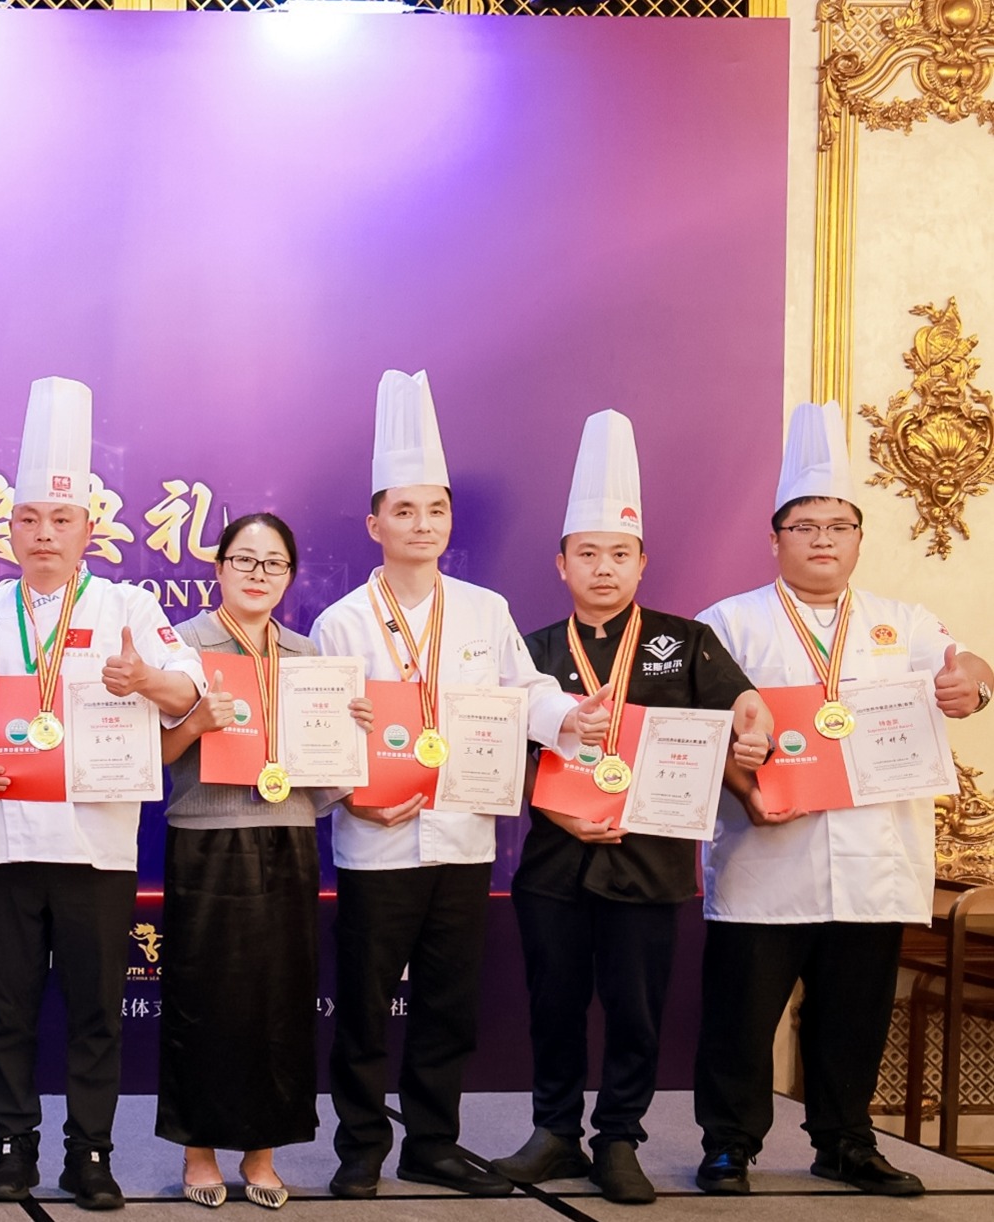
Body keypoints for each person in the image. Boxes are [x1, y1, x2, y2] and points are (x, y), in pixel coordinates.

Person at [690, 401, 992, 1197]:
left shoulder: (903, 621)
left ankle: (845, 1142)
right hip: (767, 856)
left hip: (872, 858)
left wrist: (975, 686)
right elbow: (700, 727)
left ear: (858, 537)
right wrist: (739, 772)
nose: (822, 538)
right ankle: (727, 1144)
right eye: (804, 526)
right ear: (774, 539)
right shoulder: (726, 622)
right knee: (740, 1018)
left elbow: (969, 668)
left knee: (853, 1014)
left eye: (837, 525)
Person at [311, 371, 592, 1201]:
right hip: (376, 841)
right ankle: (359, 1147)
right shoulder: (342, 622)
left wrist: (570, 718)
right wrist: (350, 795)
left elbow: (527, 693)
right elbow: (320, 733)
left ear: (448, 519)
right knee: (363, 1008)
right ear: (374, 524)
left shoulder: (484, 609)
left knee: (447, 1004)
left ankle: (430, 1141)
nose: (421, 524)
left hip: (464, 838)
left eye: (434, 509)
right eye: (403, 510)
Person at [492, 411, 766, 1206]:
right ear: (561, 563)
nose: (603, 569)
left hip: (650, 869)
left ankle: (618, 1141)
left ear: (642, 561)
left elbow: (741, 710)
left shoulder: (685, 644)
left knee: (635, 1014)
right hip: (553, 864)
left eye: (618, 554)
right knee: (553, 1006)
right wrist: (559, 812)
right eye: (587, 555)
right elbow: (498, 755)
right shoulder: (528, 648)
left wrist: (753, 727)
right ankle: (553, 1134)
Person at [0, 377, 202, 1212]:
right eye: (28, 520)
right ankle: (10, 1148)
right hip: (4, 842)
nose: (43, 535)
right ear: (10, 529)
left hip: (97, 844)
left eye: (60, 520)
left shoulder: (130, 605)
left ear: (87, 529)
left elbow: (190, 693)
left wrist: (146, 678)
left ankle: (89, 1154)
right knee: (8, 1009)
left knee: (97, 1011)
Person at [154, 512, 365, 1211]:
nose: (256, 575)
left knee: (278, 1000)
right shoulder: (181, 648)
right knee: (202, 999)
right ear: (217, 569)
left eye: (271, 564)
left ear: (288, 576)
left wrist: (346, 734)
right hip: (206, 837)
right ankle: (197, 1152)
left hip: (285, 836)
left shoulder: (309, 660)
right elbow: (151, 756)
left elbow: (330, 779)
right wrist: (194, 724)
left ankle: (262, 1154)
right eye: (242, 561)